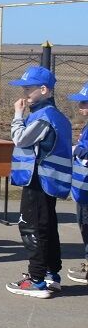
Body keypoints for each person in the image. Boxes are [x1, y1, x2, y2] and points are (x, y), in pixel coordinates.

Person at [5, 67, 73, 298]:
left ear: (44, 90)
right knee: (47, 227)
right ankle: (51, 274)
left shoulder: (44, 116)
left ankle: (36, 279)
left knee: (31, 227)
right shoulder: (56, 116)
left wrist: (17, 116)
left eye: (28, 88)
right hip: (47, 181)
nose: (24, 94)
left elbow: (20, 138)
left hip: (38, 180)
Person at [68, 81, 88, 284]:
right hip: (82, 188)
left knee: (86, 225)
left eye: (85, 102)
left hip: (87, 190)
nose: (80, 106)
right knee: (84, 224)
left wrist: (76, 150)